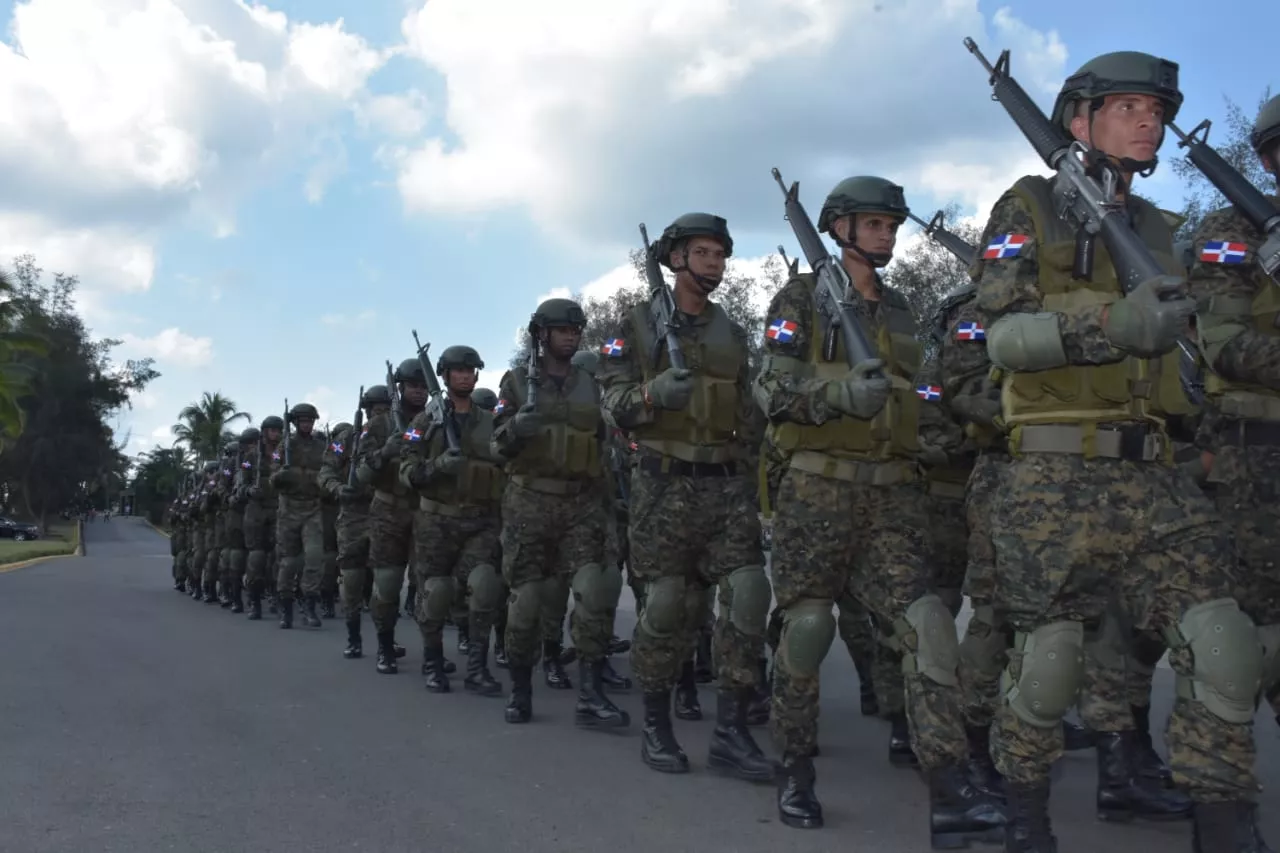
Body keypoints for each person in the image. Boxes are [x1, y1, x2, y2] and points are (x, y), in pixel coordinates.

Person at [975, 51, 1267, 850]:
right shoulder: (1027, 209)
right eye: (1129, 105)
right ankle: (1027, 822)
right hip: (1054, 470)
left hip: (1158, 472)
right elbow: (1000, 335)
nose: (1150, 120)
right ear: (1079, 119)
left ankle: (1226, 823)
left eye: (1157, 109)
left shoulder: (1169, 231)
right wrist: (1107, 327)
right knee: (1049, 664)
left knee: (1225, 648)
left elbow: (1218, 346)